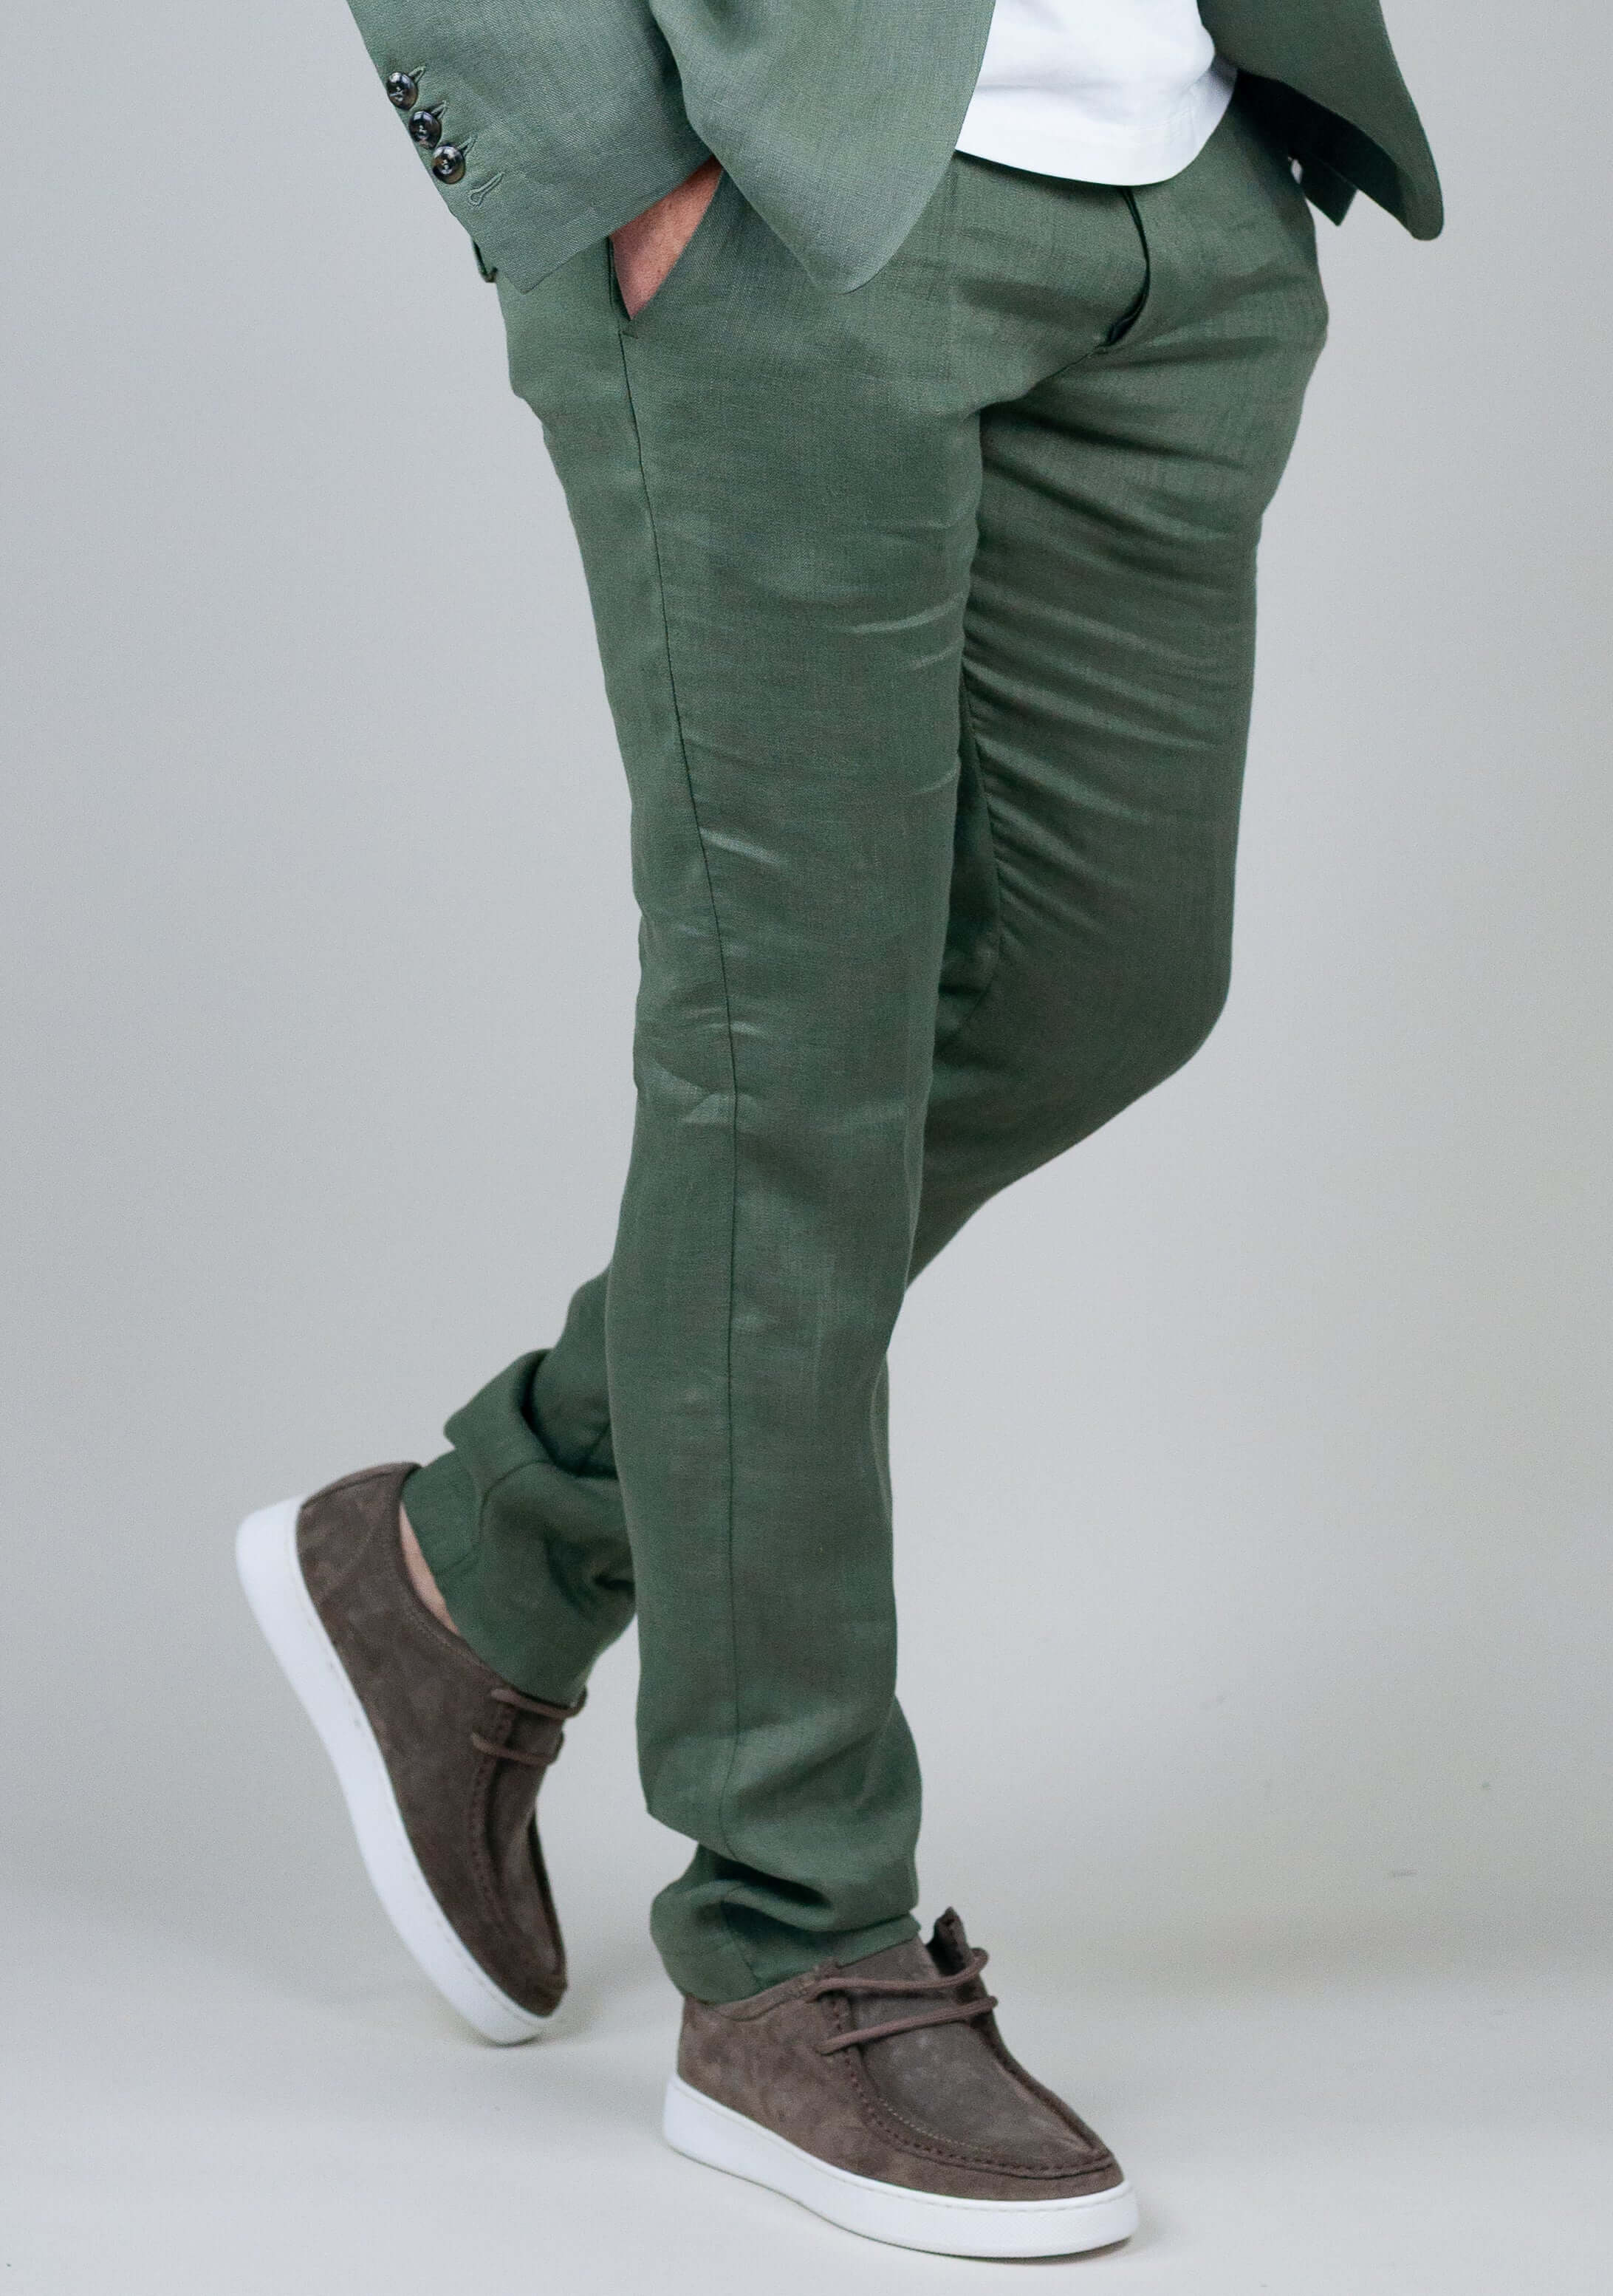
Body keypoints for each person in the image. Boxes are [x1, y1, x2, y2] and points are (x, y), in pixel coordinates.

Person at [237, 0, 1439, 2259]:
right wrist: (603, 154)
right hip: (788, 195)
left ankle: (488, 1553)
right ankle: (790, 1942)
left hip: (1180, 191)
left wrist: (1237, 179)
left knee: (1107, 981)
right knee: (789, 1066)